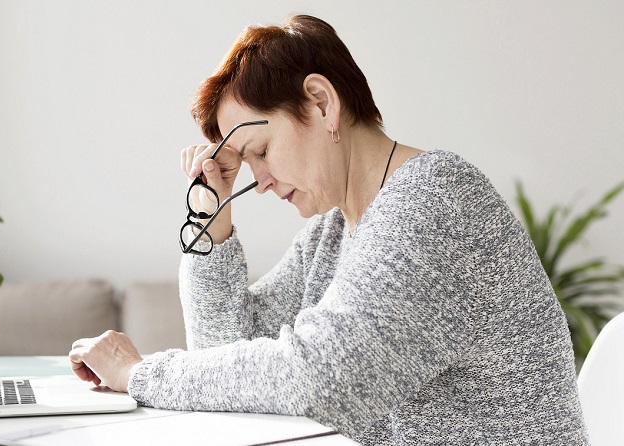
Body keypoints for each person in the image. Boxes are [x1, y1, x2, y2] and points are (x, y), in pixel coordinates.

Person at [69, 14, 588, 444]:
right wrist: (212, 220)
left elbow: (322, 379)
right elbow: (225, 352)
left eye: (261, 151)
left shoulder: (436, 199)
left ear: (322, 102)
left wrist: (139, 374)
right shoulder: (335, 230)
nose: (260, 182)